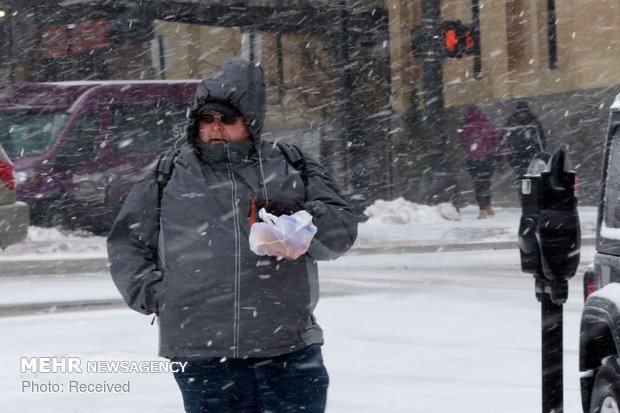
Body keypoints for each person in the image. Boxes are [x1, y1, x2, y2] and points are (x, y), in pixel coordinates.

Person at [107, 58, 358, 413]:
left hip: (287, 347)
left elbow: (339, 233)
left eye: (227, 118)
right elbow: (128, 242)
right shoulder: (168, 172)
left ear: (250, 120)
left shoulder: (291, 164)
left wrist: (300, 223)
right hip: (202, 352)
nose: (215, 127)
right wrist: (158, 295)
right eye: (206, 119)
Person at [458, 105, 503, 219]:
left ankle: (482, 209)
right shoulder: (489, 126)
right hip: (487, 159)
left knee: (478, 184)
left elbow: (462, 143)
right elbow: (496, 142)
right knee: (486, 183)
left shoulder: (467, 127)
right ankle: (488, 205)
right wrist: (500, 155)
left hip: (473, 160)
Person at [502, 100, 546, 178]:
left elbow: (541, 137)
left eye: (525, 112)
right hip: (517, 154)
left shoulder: (534, 122)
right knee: (521, 177)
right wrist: (510, 155)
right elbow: (507, 139)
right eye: (521, 112)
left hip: (531, 153)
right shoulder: (512, 122)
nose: (523, 114)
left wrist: (538, 150)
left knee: (533, 176)